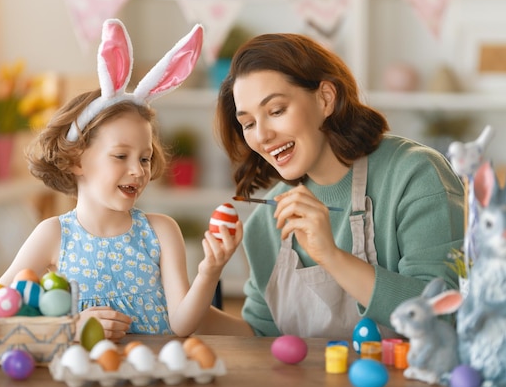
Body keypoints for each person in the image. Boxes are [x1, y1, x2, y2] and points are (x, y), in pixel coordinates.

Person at [199, 33, 465, 339]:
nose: (262, 136)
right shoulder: (266, 222)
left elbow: (443, 316)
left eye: (276, 111)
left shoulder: (414, 174)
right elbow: (260, 336)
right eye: (248, 124)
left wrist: (331, 255)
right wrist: (187, 303)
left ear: (326, 98)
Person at [0, 19, 241, 339]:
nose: (139, 171)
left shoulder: (161, 231)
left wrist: (210, 271)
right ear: (76, 160)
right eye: (120, 156)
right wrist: (70, 325)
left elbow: (182, 324)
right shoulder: (53, 234)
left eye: (144, 158)